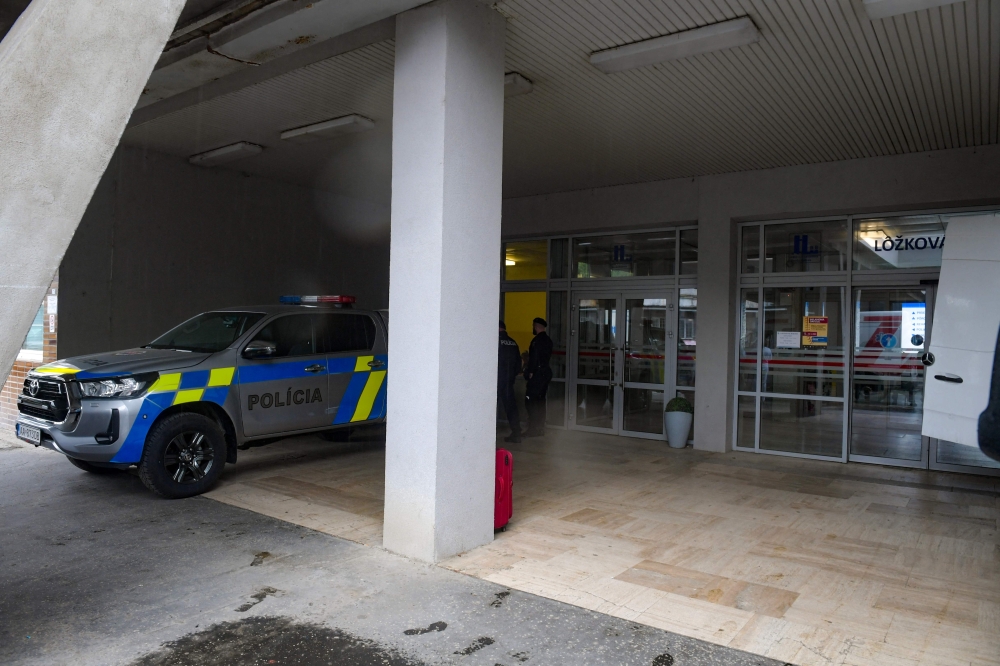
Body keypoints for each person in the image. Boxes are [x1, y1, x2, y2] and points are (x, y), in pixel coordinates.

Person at [524, 317, 553, 437]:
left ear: (536, 326)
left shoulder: (536, 341)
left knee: (530, 401)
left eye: (533, 326)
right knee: (541, 401)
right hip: (545, 372)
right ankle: (540, 427)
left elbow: (534, 358)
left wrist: (530, 371)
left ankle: (533, 428)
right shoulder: (548, 340)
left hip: (538, 374)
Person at [498, 320, 522, 443]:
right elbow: (518, 364)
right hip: (509, 381)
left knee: (491, 406)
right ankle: (516, 432)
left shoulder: (495, 342)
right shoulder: (513, 342)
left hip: (496, 381)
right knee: (511, 407)